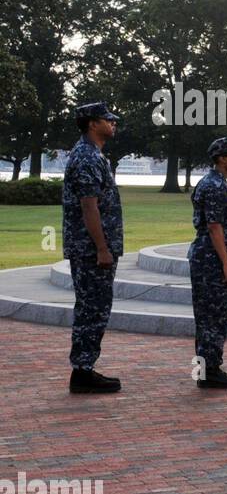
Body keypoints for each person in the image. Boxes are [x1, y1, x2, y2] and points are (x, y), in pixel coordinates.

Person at [63, 102, 123, 394]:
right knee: (92, 308)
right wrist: (102, 248)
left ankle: (85, 368)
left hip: (91, 248)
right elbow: (89, 207)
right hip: (90, 250)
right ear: (91, 123)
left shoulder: (94, 154)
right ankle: (83, 371)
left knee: (95, 308)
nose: (113, 123)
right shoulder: (87, 157)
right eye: (107, 120)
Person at [188, 136, 227, 389]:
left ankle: (207, 369)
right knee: (212, 316)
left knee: (211, 315)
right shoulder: (213, 185)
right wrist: (226, 263)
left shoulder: (219, 183)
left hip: (213, 259)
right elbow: (214, 227)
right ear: (222, 158)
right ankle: (209, 371)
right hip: (211, 261)